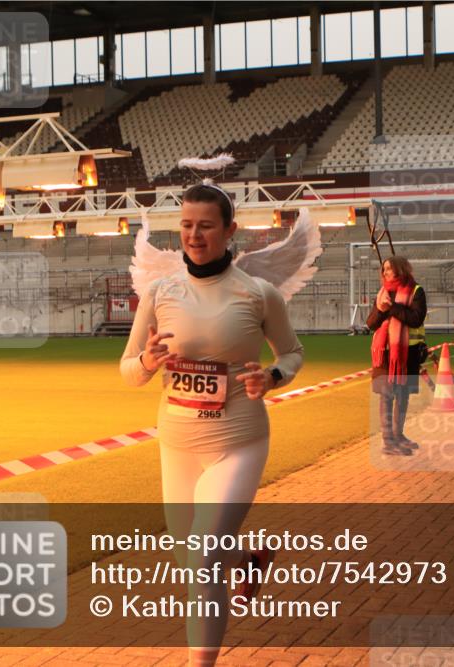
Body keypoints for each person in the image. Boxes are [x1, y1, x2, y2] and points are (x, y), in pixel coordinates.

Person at [120, 182, 304, 667]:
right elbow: (127, 370)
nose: (194, 236)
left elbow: (292, 352)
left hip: (239, 441)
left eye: (205, 225)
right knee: (194, 559)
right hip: (177, 443)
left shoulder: (257, 292)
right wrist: (147, 360)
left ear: (229, 230)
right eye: (185, 225)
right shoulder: (159, 293)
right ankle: (249, 560)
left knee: (202, 561)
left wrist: (273, 375)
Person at [367, 256, 427, 456]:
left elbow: (415, 319)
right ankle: (388, 441)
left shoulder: (416, 291)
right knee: (387, 395)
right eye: (383, 269)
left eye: (389, 269)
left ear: (400, 270)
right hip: (385, 354)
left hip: (408, 354)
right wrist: (383, 308)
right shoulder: (383, 293)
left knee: (403, 395)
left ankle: (398, 435)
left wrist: (392, 307)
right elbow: (371, 324)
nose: (385, 273)